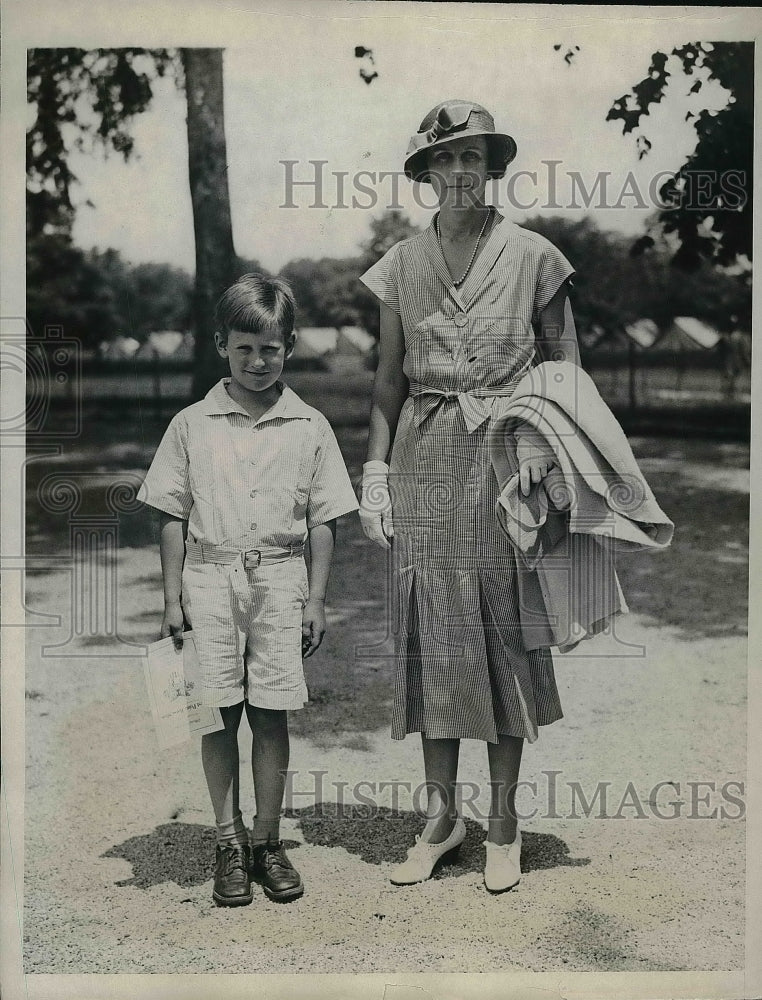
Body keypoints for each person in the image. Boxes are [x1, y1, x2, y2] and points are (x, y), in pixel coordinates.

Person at [359, 100, 579, 894]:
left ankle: (507, 825)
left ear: (492, 167)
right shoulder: (398, 266)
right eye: (446, 159)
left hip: (506, 458)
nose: (461, 172)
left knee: (501, 632)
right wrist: (375, 475)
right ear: (425, 173)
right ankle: (441, 817)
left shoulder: (534, 258)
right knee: (433, 631)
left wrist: (538, 450)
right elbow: (387, 378)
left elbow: (563, 375)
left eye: (474, 157)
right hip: (423, 456)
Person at [138, 273, 358, 906]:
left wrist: (316, 599)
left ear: (288, 345)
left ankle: (268, 839)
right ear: (220, 346)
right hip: (208, 580)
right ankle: (228, 839)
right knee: (216, 713)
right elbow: (171, 514)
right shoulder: (191, 424)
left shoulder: (310, 426)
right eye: (243, 350)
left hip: (282, 580)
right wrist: (171, 594)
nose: (258, 363)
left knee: (270, 712)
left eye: (270, 349)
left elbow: (325, 521)